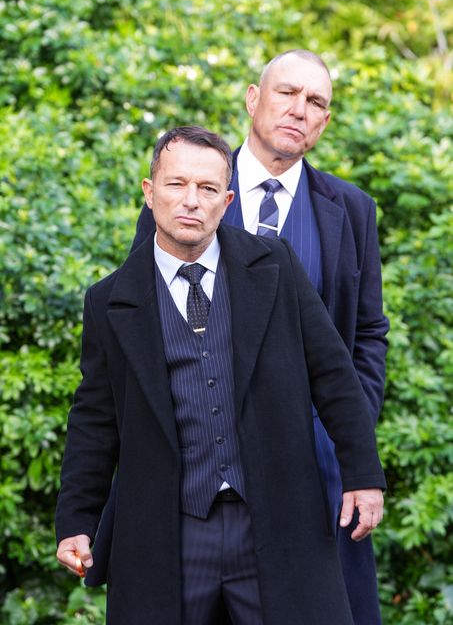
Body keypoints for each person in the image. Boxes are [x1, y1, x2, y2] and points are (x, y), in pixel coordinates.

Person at [56, 126, 386, 625]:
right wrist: (77, 520)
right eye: (176, 184)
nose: (191, 200)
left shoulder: (273, 264)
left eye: (208, 189)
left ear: (227, 199)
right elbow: (95, 419)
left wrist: (363, 474)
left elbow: (334, 374)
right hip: (171, 532)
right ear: (150, 193)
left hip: (276, 520)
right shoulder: (110, 301)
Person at [133, 50, 389, 625]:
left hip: (317, 468)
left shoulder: (351, 210)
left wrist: (346, 428)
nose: (299, 110)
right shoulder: (188, 193)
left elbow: (368, 331)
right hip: (203, 473)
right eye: (286, 94)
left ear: (325, 121)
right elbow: (143, 326)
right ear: (253, 98)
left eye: (316, 102)